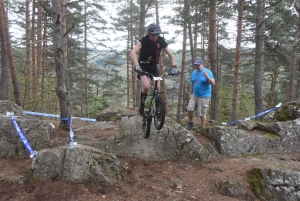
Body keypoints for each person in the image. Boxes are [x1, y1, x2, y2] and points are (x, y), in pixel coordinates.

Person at [130, 23, 177, 116]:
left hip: (153, 66)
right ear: (149, 34)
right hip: (142, 66)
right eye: (153, 34)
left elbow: (171, 54)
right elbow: (133, 52)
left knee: (157, 87)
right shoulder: (144, 40)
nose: (155, 36)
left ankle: (157, 109)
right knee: (146, 86)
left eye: (157, 34)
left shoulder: (161, 40)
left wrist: (174, 67)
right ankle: (142, 106)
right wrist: (137, 65)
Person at [185, 58, 215, 132]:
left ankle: (202, 126)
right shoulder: (194, 72)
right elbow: (192, 83)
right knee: (190, 108)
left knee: (202, 113)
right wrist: (190, 93)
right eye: (196, 65)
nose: (197, 66)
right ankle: (190, 122)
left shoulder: (208, 72)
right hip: (195, 95)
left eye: (198, 65)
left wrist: (207, 77)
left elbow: (213, 83)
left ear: (202, 65)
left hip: (204, 95)